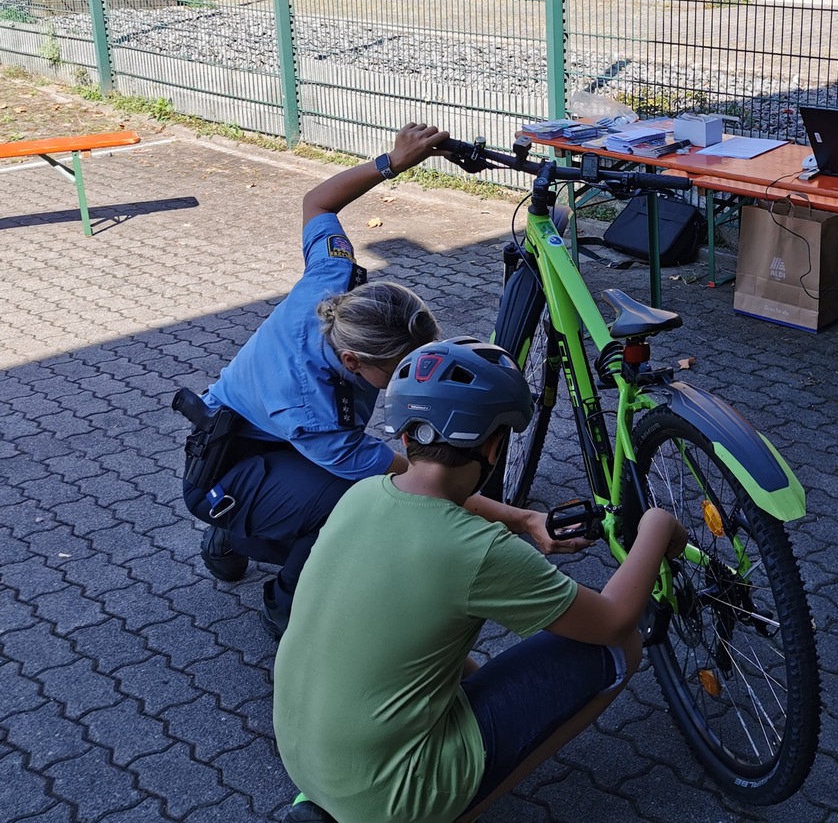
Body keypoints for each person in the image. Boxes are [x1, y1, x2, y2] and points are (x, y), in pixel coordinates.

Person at [180, 124, 588, 640]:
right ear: (351, 361)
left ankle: (239, 532)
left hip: (268, 438)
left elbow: (317, 203)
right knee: (353, 504)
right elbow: (416, 478)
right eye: (397, 370)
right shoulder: (311, 408)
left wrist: (392, 163)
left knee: (326, 488)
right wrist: (521, 520)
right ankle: (284, 607)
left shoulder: (335, 279)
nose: (407, 379)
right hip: (225, 464)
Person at [273, 337, 688, 823]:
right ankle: (448, 808)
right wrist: (657, 526)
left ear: (407, 435)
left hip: (307, 763)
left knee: (434, 643)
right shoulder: (477, 550)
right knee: (620, 650)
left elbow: (439, 497)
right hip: (388, 798)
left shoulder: (363, 495)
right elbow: (615, 620)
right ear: (494, 447)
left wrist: (524, 520)